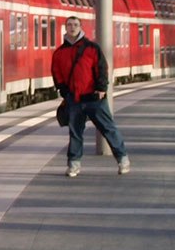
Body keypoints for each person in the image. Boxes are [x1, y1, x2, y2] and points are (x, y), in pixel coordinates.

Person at [50, 16, 128, 177]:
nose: (72, 27)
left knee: (108, 129)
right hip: (74, 99)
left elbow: (102, 68)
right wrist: (64, 91)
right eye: (69, 25)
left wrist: (101, 88)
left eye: (75, 25)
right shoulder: (59, 53)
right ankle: (73, 165)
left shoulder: (92, 48)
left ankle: (122, 159)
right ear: (65, 28)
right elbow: (56, 73)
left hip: (94, 98)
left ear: (81, 27)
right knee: (75, 133)